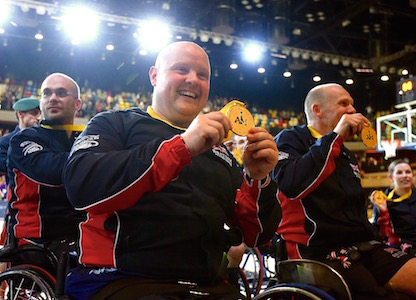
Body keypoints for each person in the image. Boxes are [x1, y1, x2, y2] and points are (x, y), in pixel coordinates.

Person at [63, 41, 280, 299]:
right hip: (123, 280)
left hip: (208, 286)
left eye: (203, 75)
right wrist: (183, 146)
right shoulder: (114, 123)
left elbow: (255, 234)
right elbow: (81, 185)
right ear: (154, 76)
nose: (193, 80)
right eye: (181, 69)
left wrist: (257, 179)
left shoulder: (221, 151)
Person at [271, 83, 416, 298]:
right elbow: (292, 184)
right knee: (379, 294)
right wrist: (335, 136)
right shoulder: (289, 139)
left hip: (363, 245)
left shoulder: (346, 154)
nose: (352, 110)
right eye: (343, 103)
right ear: (317, 110)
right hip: (317, 250)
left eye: (352, 104)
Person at [6, 73, 85, 255]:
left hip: (77, 235)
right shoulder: (23, 139)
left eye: (61, 93)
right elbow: (51, 171)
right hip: (36, 242)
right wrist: (95, 162)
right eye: (47, 93)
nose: (53, 98)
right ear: (41, 102)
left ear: (77, 104)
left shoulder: (81, 140)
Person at [370, 158, 416, 253]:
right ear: (391, 177)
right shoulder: (383, 201)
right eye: (399, 172)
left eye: (408, 172)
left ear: (413, 175)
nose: (405, 175)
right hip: (400, 249)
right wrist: (383, 212)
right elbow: (378, 234)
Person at [0, 97, 41, 179]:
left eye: (40, 114)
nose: (39, 118)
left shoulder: (44, 138)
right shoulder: (6, 141)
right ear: (20, 114)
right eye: (34, 113)